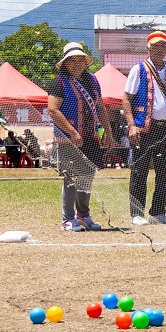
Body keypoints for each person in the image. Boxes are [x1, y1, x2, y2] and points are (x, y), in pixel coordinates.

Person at [47, 42, 111, 231]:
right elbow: (53, 109)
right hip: (68, 139)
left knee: (87, 177)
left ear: (85, 62)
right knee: (71, 177)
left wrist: (108, 130)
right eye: (71, 60)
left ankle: (83, 215)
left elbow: (99, 107)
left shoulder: (92, 81)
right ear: (65, 63)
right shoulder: (59, 82)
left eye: (80, 60)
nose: (76, 64)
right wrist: (72, 132)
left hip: (90, 137)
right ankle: (68, 218)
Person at [122, 30, 166, 225]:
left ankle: (158, 212)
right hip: (143, 129)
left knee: (165, 171)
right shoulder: (138, 69)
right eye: (155, 45)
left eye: (163, 45)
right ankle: (137, 214)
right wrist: (131, 125)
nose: (159, 48)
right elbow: (126, 100)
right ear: (148, 47)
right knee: (140, 170)